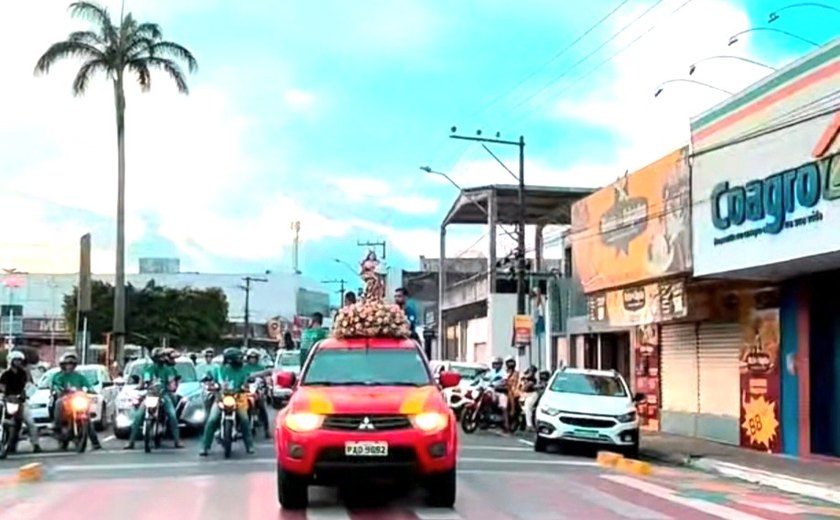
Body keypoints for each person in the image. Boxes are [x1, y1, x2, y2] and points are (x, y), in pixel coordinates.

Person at [200, 347, 266, 456]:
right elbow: (209, 377)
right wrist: (208, 381)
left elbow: (247, 381)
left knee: (245, 419)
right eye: (239, 358)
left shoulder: (243, 371)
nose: (241, 360)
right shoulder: (218, 370)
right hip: (221, 398)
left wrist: (246, 386)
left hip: (238, 398)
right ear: (231, 360)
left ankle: (249, 445)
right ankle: (205, 447)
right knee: (211, 420)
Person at [124, 348, 184, 450]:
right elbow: (143, 382)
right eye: (160, 357)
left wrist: (172, 387)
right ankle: (131, 442)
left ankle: (177, 441)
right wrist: (140, 386)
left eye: (163, 356)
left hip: (163, 395)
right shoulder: (148, 369)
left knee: (172, 415)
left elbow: (171, 382)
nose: (162, 359)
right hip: (150, 395)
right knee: (138, 416)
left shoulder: (167, 369)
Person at [50, 353, 102, 450]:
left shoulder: (79, 376)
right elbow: (56, 386)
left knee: (88, 419)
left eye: (72, 364)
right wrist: (60, 389)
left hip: (78, 399)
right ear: (63, 365)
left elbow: (88, 385)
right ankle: (57, 425)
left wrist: (91, 390)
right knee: (58, 403)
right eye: (68, 363)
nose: (70, 366)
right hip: (65, 399)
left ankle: (95, 442)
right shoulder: (58, 376)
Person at [0, 351, 41, 453]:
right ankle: (5, 442)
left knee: (31, 423)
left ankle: (35, 444)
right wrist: (5, 395)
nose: (18, 362)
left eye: (19, 360)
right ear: (11, 361)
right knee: (4, 421)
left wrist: (26, 394)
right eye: (16, 360)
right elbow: (2, 387)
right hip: (8, 401)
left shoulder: (24, 373)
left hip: (21, 401)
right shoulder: (5, 374)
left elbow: (29, 385)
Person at [245, 348, 271, 439]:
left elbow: (266, 378)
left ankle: (266, 430)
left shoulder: (261, 367)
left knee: (261, 406)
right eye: (251, 357)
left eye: (254, 357)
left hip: (257, 390)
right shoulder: (244, 367)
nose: (252, 359)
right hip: (247, 391)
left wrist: (266, 384)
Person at [521, 365, 539, 431]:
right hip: (524, 394)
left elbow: (525, 387)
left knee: (528, 406)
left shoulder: (533, 379)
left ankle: (529, 425)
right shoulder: (524, 377)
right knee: (523, 409)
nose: (531, 373)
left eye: (532, 371)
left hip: (532, 394)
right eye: (530, 371)